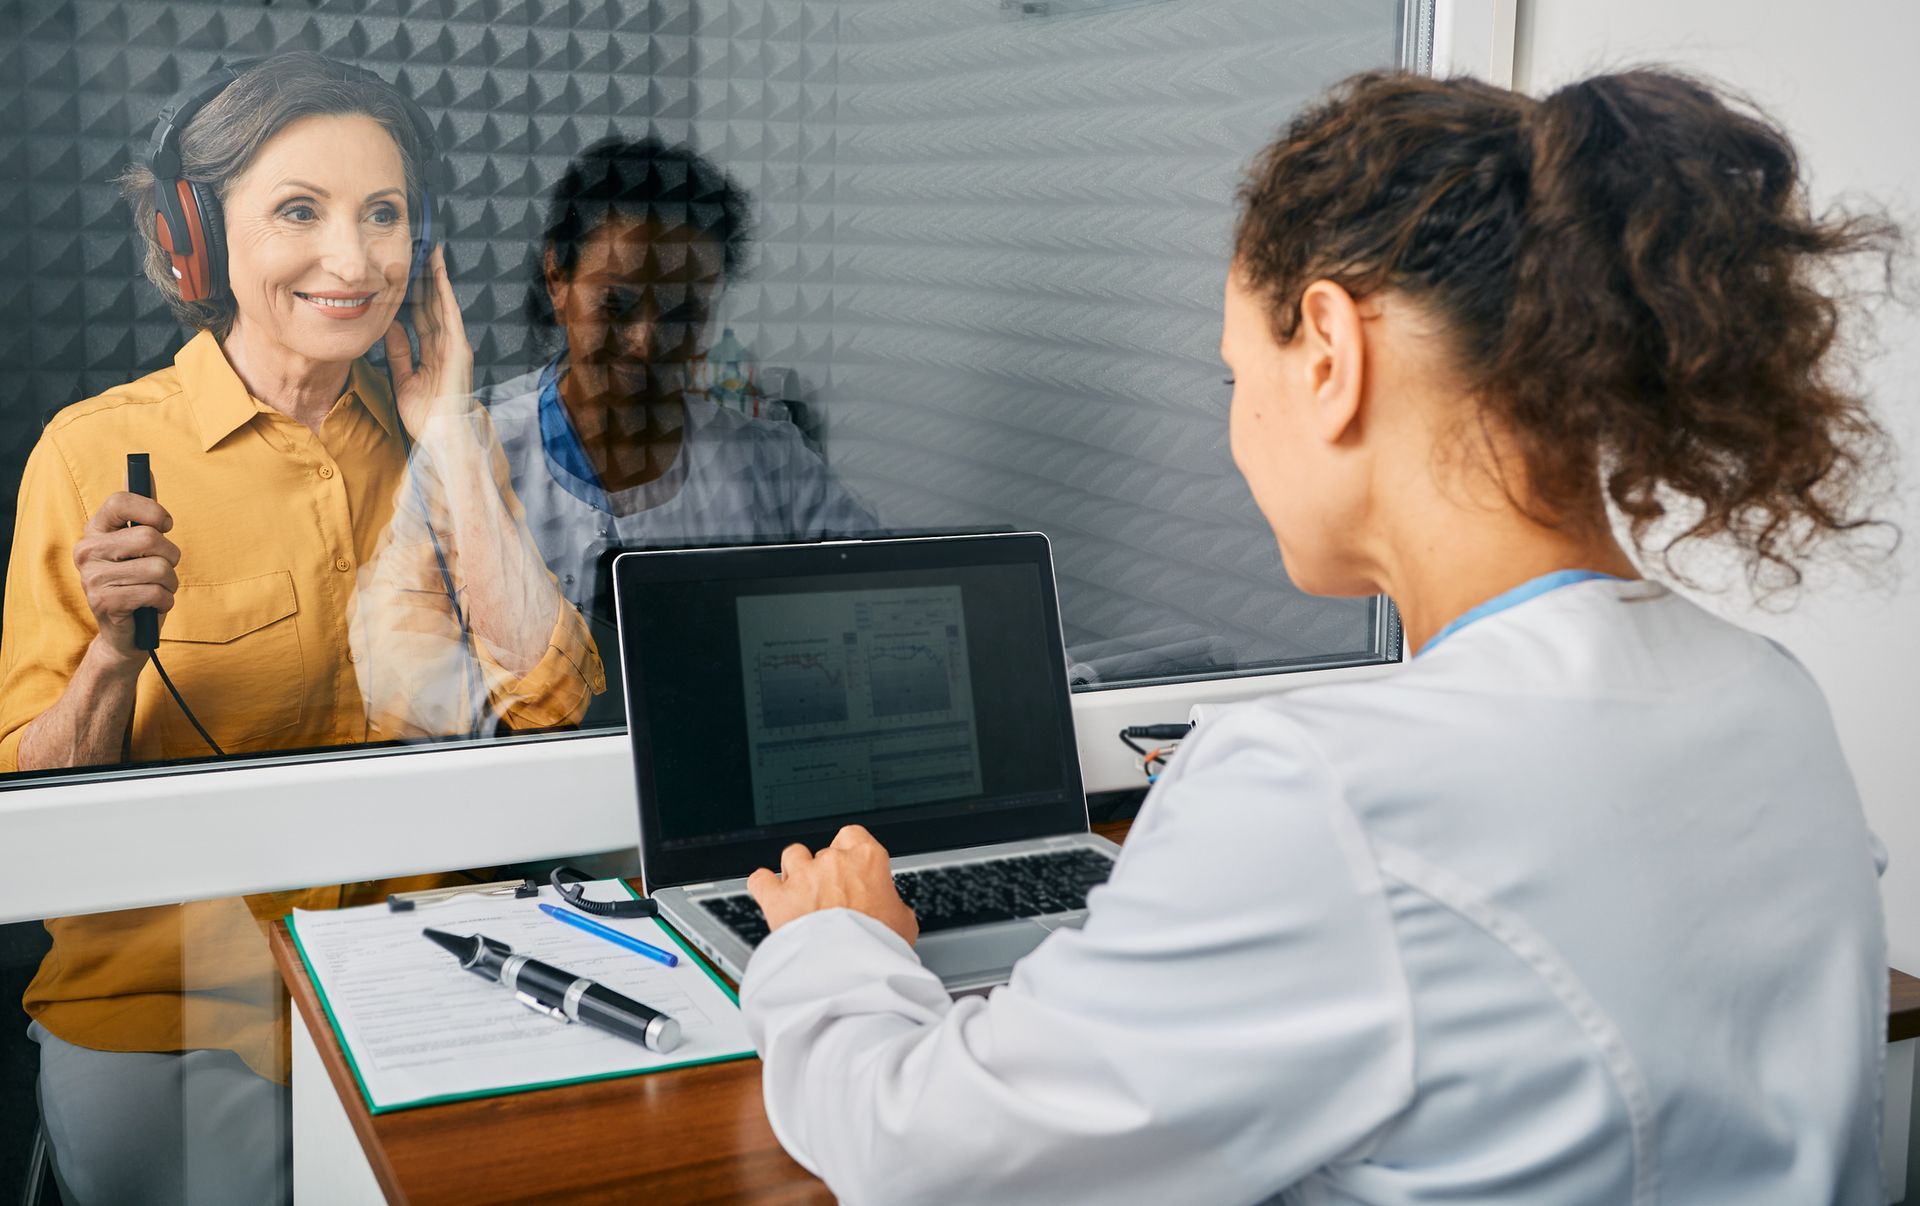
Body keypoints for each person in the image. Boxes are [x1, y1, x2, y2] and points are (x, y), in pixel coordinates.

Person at [737, 70, 1896, 1203]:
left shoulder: (1322, 791)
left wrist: (836, 946)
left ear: (1331, 357)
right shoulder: (1768, 697)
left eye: (1239, 372)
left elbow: (923, 1157)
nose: (1238, 428)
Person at [0, 54, 598, 1204]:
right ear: (194, 239)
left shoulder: (437, 446)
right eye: (299, 212)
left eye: (383, 215)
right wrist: (110, 662)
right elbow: (34, 819)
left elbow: (557, 711)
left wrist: (454, 434)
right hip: (173, 1011)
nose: (355, 259)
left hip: (432, 970)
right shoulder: (87, 454)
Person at [483, 136, 877, 618]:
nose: (646, 343)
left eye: (684, 312)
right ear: (557, 281)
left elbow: (877, 594)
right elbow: (407, 664)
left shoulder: (772, 467)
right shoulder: (471, 459)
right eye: (617, 304)